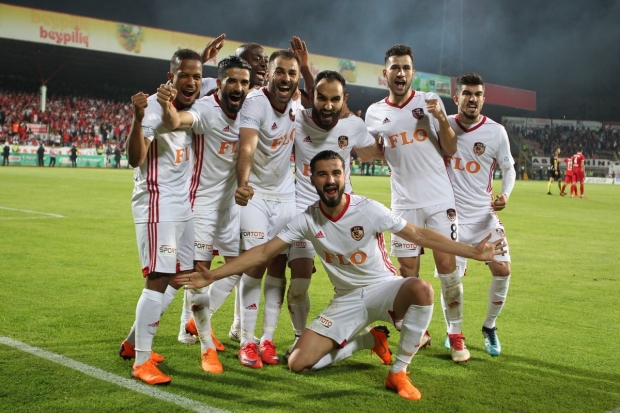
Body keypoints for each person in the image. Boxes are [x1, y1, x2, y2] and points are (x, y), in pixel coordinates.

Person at [176, 150, 505, 401]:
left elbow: (418, 234)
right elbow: (263, 252)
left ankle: (398, 371)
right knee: (298, 363)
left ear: (345, 175)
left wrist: (472, 251)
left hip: (384, 288)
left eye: (336, 172)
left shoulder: (368, 209)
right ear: (312, 179)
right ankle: (369, 340)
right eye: (323, 174)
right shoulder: (307, 219)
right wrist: (212, 275)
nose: (330, 180)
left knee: (422, 289)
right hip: (346, 300)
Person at [364, 44, 467, 362]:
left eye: (406, 67)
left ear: (413, 72)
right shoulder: (374, 112)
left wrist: (441, 119)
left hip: (438, 200)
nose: (401, 73)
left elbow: (451, 148)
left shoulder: (429, 102)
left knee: (447, 268)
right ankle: (419, 331)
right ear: (385, 73)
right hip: (403, 203)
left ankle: (456, 334)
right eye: (395, 67)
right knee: (408, 271)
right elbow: (374, 151)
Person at [158, 55, 253, 373]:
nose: (238, 87)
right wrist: (167, 105)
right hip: (199, 207)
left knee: (239, 266)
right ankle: (205, 348)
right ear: (220, 82)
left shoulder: (249, 111)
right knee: (195, 277)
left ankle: (185, 327)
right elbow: (177, 120)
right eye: (232, 81)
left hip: (230, 208)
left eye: (244, 82)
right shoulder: (205, 109)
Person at [118, 48, 203, 385]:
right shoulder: (152, 107)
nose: (191, 82)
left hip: (182, 205)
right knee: (158, 277)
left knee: (178, 278)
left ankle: (132, 343)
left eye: (197, 76)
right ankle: (141, 362)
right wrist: (137, 118)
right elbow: (135, 159)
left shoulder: (193, 108)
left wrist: (205, 56)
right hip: (158, 203)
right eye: (184, 75)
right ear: (171, 77)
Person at [285, 70, 384, 359]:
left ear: (344, 100)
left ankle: (379, 329)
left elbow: (373, 153)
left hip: (344, 214)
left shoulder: (353, 125)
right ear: (312, 96)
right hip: (304, 211)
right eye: (322, 98)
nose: (328, 105)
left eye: (335, 99)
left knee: (357, 283)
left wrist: (393, 138)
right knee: (298, 284)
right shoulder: (296, 119)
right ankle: (299, 338)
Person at [234, 49, 302, 369]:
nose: (285, 78)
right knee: (255, 263)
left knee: (278, 265)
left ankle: (267, 338)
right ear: (269, 75)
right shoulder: (255, 102)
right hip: (256, 195)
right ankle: (247, 340)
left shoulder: (297, 106)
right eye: (280, 72)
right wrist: (243, 183)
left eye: (292, 73)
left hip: (285, 196)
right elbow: (247, 145)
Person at [444, 72, 515, 356]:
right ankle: (454, 331)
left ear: (483, 99)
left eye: (477, 94)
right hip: (450, 219)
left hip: (484, 217)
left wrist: (505, 194)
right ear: (456, 97)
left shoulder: (496, 132)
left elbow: (508, 168)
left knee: (503, 269)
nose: (472, 99)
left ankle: (489, 326)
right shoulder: (444, 125)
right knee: (451, 279)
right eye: (467, 93)